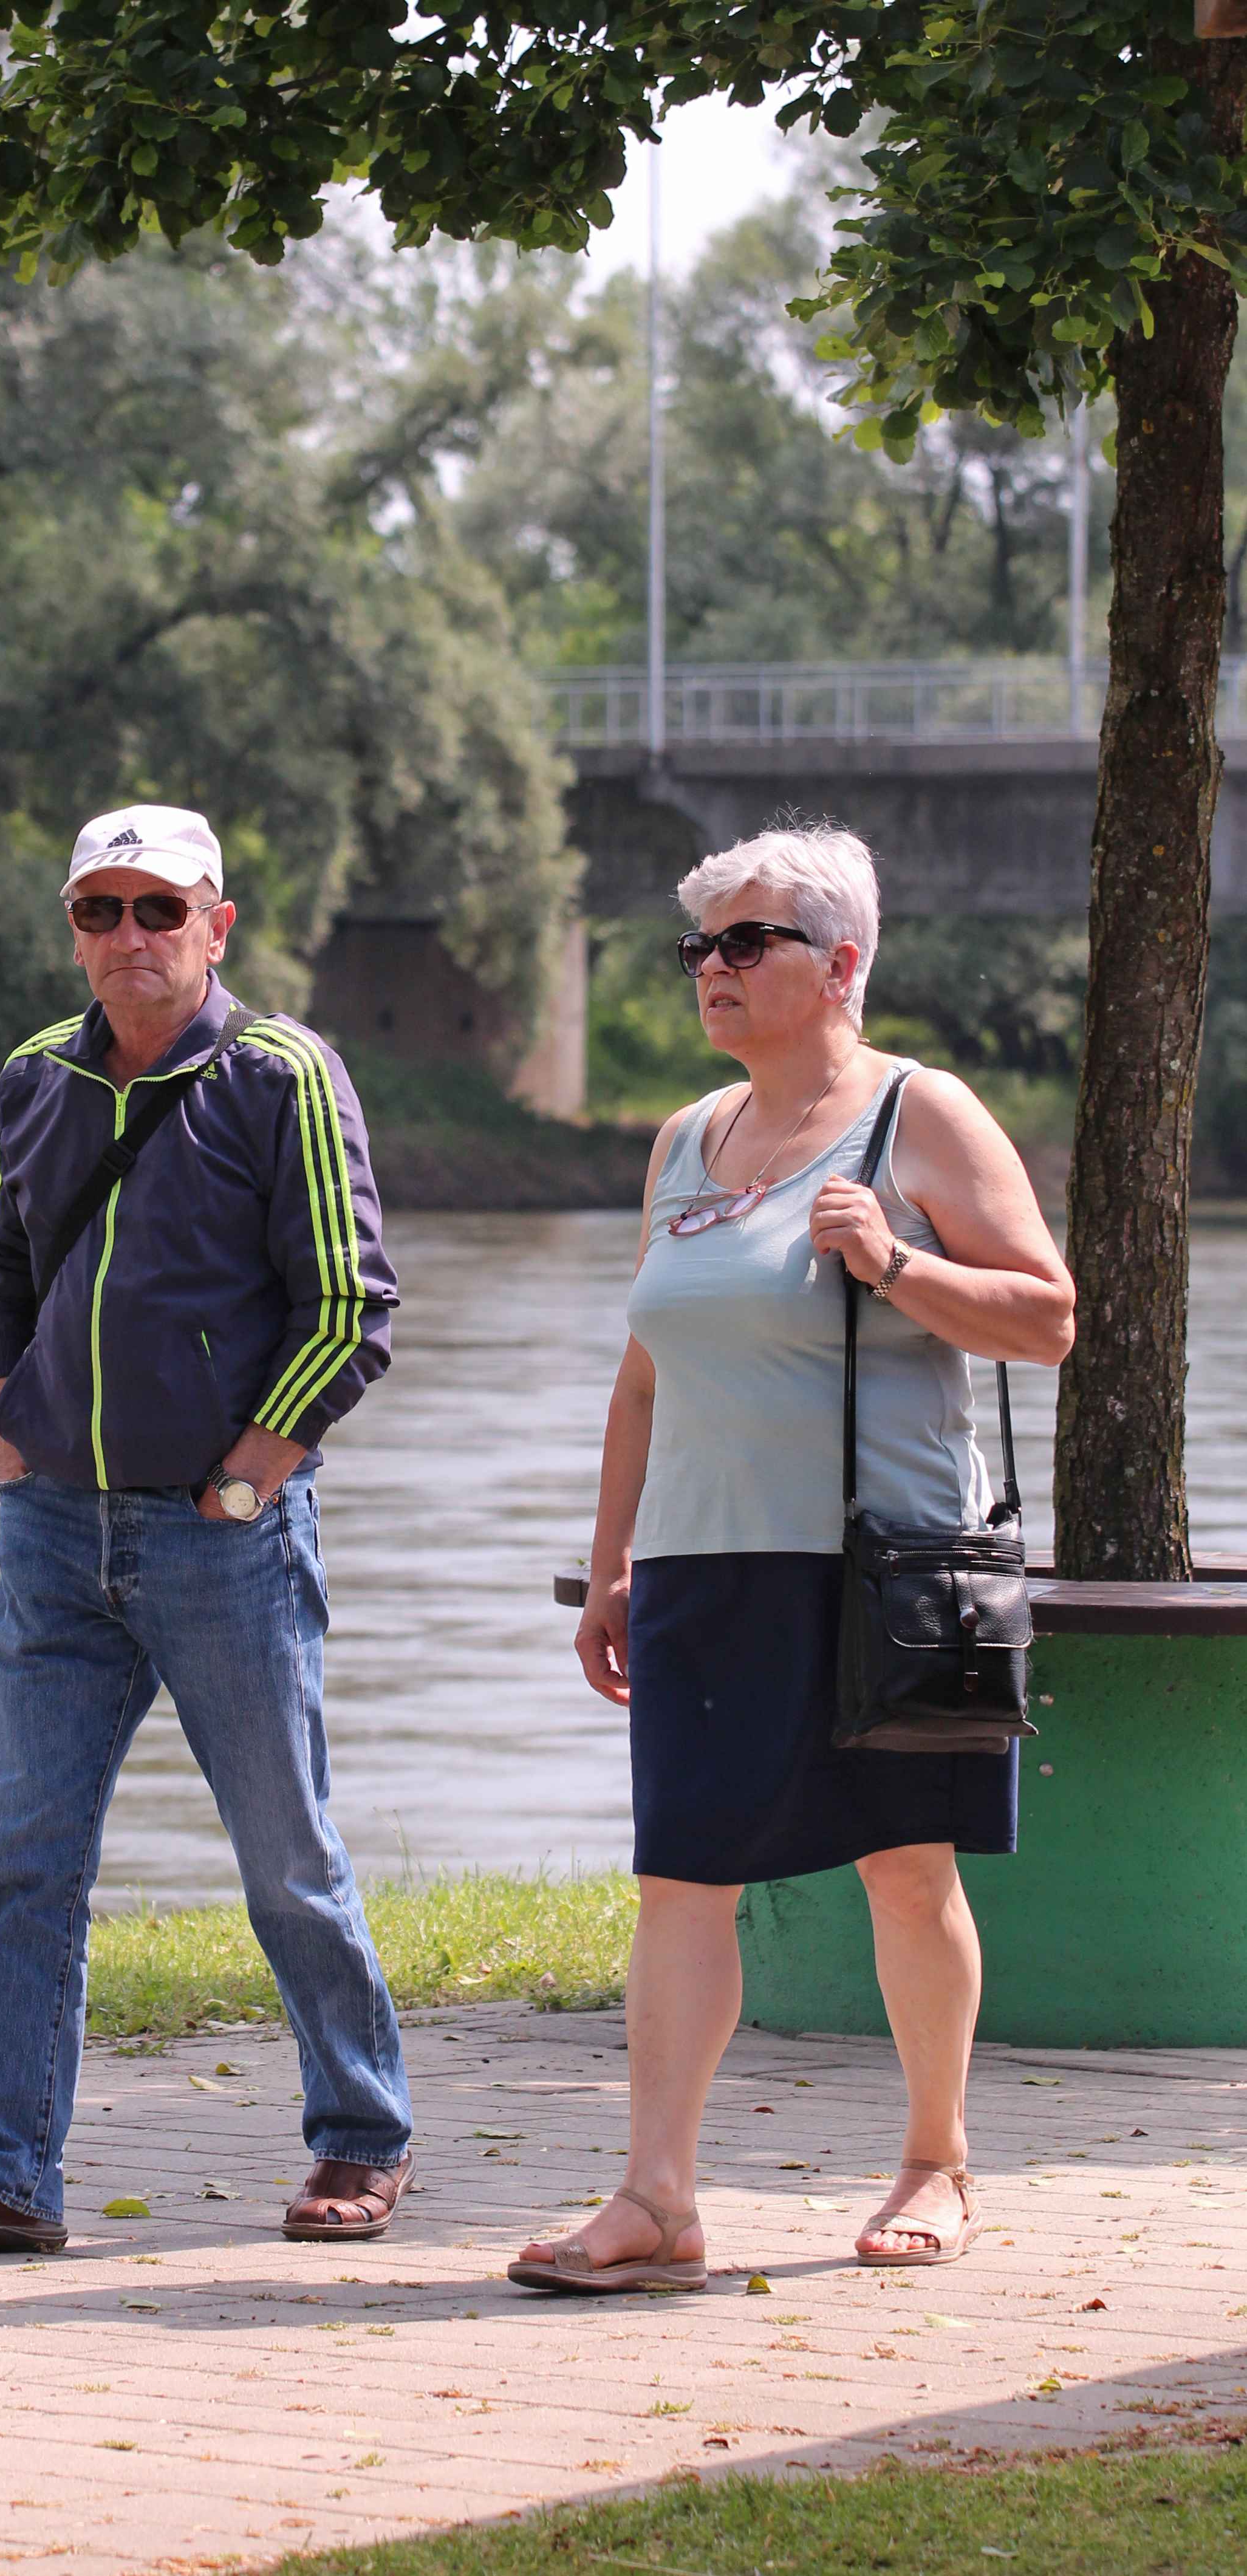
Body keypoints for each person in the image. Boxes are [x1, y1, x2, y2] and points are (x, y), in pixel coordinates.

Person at [510, 822, 1074, 2296]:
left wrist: (895, 1261)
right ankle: (656, 2199)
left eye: (744, 942)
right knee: (680, 1880)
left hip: (876, 1567)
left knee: (902, 1866)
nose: (713, 969)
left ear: (840, 964)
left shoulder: (917, 1115)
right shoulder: (683, 1138)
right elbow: (644, 1373)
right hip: (705, 1566)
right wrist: (614, 1562)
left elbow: (1045, 1316)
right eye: (699, 945)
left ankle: (936, 2161)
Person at [0, 804, 415, 2258]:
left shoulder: (281, 1076)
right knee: (24, 1868)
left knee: (286, 1860)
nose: (127, 938)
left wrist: (243, 1484)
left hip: (218, 1538)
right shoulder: (34, 1078)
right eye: (98, 911)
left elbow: (350, 1305)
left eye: (157, 910)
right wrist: (5, 1418)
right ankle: (2, 2178)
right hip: (51, 1536)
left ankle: (361, 2137)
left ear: (216, 924)